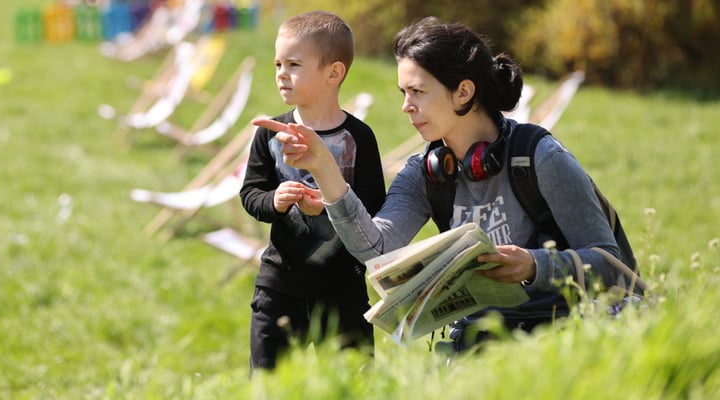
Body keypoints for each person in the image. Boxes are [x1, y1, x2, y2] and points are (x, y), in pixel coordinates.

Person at [253, 18, 628, 353]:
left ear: (463, 92)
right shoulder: (424, 172)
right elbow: (376, 249)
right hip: (481, 341)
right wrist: (324, 168)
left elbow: (612, 266)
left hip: (565, 336)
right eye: (403, 93)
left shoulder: (539, 158)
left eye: (417, 92)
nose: (406, 106)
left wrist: (534, 264)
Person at [240, 10, 386, 371]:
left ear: (333, 73)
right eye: (277, 64)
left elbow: (374, 204)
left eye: (293, 64)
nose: (281, 75)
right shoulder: (272, 132)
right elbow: (251, 192)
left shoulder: (359, 138)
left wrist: (330, 204)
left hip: (343, 287)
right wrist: (273, 201)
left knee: (352, 384)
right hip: (280, 282)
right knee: (269, 385)